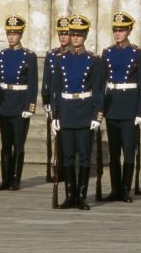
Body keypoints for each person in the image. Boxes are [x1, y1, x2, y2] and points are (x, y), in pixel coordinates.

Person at [50, 14, 104, 210]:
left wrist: (97, 115)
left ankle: (81, 196)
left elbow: (98, 90)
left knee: (83, 156)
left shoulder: (94, 61)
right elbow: (56, 90)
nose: (75, 38)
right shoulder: (60, 59)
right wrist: (55, 116)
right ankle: (69, 195)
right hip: (66, 110)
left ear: (85, 36)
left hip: (84, 110)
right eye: (72, 34)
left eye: (79, 35)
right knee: (67, 157)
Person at [99, 11, 141, 203]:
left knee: (128, 151)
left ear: (129, 31)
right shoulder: (107, 52)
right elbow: (101, 83)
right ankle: (115, 189)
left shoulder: (137, 53)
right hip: (112, 106)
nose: (118, 33)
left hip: (129, 107)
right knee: (113, 152)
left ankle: (126, 189)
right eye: (115, 30)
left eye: (121, 30)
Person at [0, 15, 38, 190]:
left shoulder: (29, 56)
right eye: (9, 33)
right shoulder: (0, 55)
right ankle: (5, 178)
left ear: (21, 35)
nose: (11, 37)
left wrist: (30, 106)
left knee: (18, 144)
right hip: (4, 103)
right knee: (5, 145)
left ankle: (16, 178)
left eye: (15, 34)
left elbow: (32, 84)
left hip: (19, 104)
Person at [42, 16, 71, 182]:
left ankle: (67, 169)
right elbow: (47, 80)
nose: (63, 37)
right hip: (55, 100)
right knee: (55, 137)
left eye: (66, 34)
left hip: (69, 100)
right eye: (61, 33)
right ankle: (56, 168)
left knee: (67, 136)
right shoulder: (52, 55)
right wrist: (46, 102)